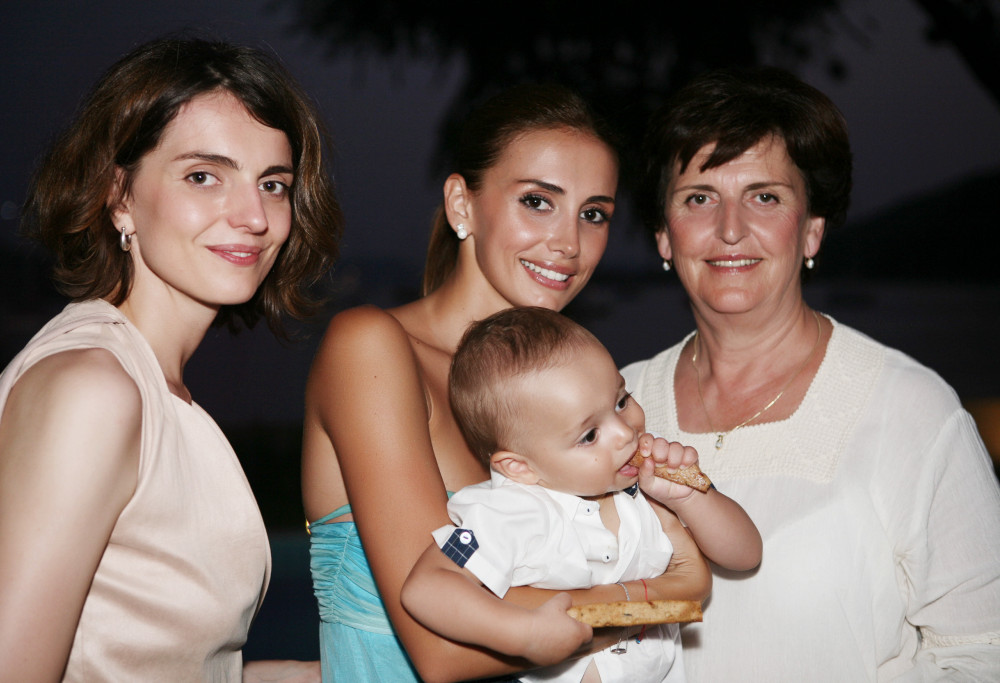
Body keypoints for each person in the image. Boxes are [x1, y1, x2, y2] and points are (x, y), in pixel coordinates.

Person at [302, 84, 710, 683]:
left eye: (593, 214)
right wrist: (656, 600)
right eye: (538, 202)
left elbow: (672, 573)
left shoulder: (571, 397)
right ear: (461, 204)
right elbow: (439, 647)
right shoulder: (371, 348)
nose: (569, 244)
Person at [0, 37, 341, 681]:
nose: (254, 216)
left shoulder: (143, 385)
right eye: (204, 176)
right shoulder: (93, 389)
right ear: (120, 196)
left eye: (273, 184)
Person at [622, 65, 1000, 680]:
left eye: (765, 197)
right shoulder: (614, 406)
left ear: (811, 231)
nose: (730, 229)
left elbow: (983, 651)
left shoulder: (908, 409)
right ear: (665, 235)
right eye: (699, 198)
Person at [401, 306, 761, 683]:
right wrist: (523, 634)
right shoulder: (512, 511)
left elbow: (745, 555)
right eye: (589, 435)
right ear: (520, 468)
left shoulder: (644, 492)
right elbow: (428, 586)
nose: (625, 433)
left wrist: (690, 498)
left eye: (621, 401)